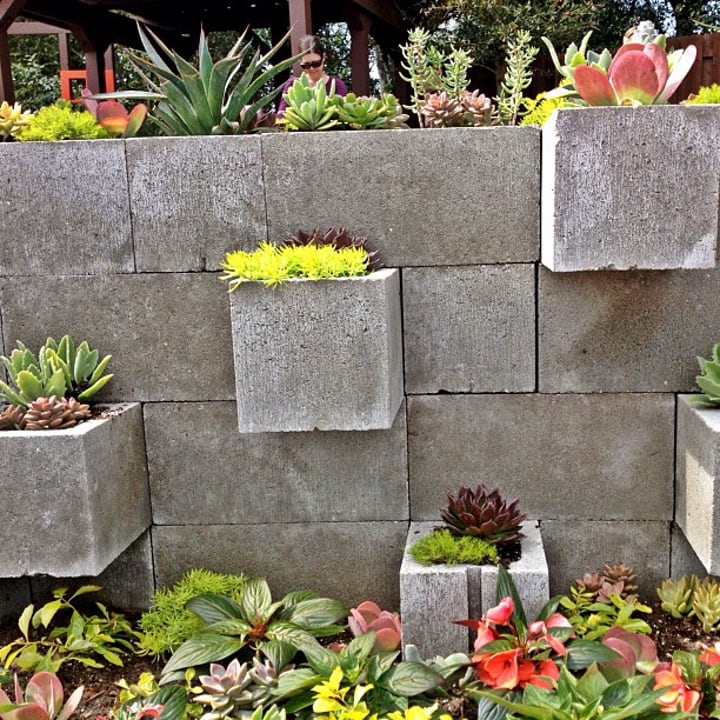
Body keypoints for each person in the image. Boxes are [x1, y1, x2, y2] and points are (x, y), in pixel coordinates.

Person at [277, 35, 348, 116]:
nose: (311, 68)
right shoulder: (292, 85)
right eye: (306, 65)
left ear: (323, 57)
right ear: (300, 61)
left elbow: (343, 114)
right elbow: (281, 115)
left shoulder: (337, 85)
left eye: (316, 64)